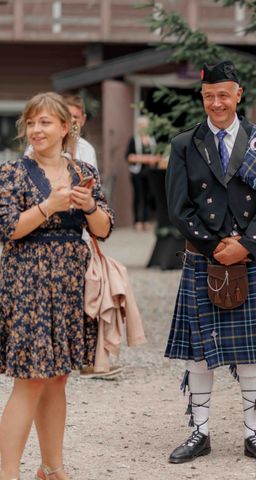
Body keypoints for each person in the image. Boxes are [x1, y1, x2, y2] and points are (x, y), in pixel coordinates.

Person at [164, 60, 256, 464]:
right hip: (205, 256)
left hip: (249, 256)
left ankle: (254, 434)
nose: (216, 103)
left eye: (223, 95)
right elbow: (178, 207)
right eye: (208, 96)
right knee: (200, 351)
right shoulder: (185, 144)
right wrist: (214, 246)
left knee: (254, 351)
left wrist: (247, 246)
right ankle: (200, 432)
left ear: (239, 94)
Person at [0, 92, 113, 480]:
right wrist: (50, 205)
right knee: (30, 379)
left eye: (45, 122)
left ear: (66, 127)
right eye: (31, 123)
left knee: (58, 378)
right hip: (28, 280)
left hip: (69, 281)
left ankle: (51, 467)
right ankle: (8, 473)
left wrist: (88, 207)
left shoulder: (84, 172)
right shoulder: (12, 173)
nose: (36, 130)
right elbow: (9, 229)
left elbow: (105, 229)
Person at [24, 95, 98, 172]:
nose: (72, 120)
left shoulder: (87, 149)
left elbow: (91, 179)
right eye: (68, 116)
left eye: (75, 117)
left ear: (83, 119)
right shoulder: (38, 145)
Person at [126, 116, 160, 231]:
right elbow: (129, 157)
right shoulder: (134, 140)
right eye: (142, 126)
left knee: (148, 196)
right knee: (138, 196)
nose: (144, 128)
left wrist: (154, 159)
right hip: (137, 172)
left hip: (150, 172)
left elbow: (157, 156)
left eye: (145, 126)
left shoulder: (152, 140)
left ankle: (145, 220)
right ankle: (137, 221)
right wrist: (146, 159)